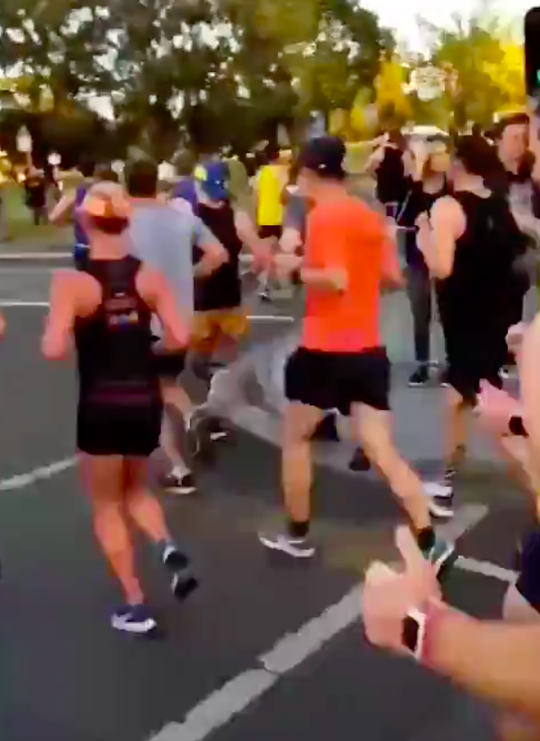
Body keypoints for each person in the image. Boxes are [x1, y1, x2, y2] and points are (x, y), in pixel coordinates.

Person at [257, 136, 454, 572]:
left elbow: (336, 279)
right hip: (368, 349)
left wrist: (295, 267)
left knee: (295, 438)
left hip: (324, 348)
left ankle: (297, 535)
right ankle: (429, 540)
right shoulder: (367, 217)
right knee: (381, 448)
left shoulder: (325, 217)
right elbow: (391, 276)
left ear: (309, 173)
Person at [42, 182, 196, 635]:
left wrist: (66, 326)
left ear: (85, 222)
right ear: (127, 222)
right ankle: (166, 545)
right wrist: (145, 346)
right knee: (138, 489)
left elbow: (52, 348)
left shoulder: (71, 282)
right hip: (143, 399)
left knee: (106, 502)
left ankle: (136, 603)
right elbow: (179, 338)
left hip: (100, 404)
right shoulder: (149, 277)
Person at [418, 136, 529, 519]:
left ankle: (448, 483)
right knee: (470, 398)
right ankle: (445, 480)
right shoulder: (498, 204)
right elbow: (517, 248)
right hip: (495, 314)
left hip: (464, 314)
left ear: (459, 164)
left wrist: (423, 237)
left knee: (468, 400)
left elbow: (442, 267)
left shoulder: (447, 207)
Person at [125, 159, 227, 494]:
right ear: (155, 181)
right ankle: (191, 421)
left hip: (141, 322)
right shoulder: (184, 216)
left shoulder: (122, 220)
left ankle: (179, 466)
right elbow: (218, 254)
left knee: (149, 395)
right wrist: (188, 274)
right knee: (165, 382)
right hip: (181, 319)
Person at [400, 138, 450, 386]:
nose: (443, 158)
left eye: (445, 153)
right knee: (421, 312)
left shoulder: (451, 188)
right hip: (418, 259)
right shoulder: (414, 188)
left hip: (445, 258)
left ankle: (451, 364)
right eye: (438, 154)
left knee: (448, 312)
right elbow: (403, 219)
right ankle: (422, 365)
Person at [49, 159, 119, 269]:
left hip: (84, 248)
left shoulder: (76, 193)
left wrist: (73, 219)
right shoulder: (119, 195)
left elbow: (54, 218)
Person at [254, 144, 289, 300]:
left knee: (268, 253)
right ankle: (282, 282)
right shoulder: (283, 172)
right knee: (283, 251)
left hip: (264, 217)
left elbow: (256, 197)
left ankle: (266, 285)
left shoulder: (260, 174)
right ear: (278, 155)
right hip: (281, 217)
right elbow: (285, 195)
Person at [365, 129, 408, 218]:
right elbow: (408, 173)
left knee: (383, 219)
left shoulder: (382, 151)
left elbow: (368, 167)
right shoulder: (405, 153)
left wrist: (377, 176)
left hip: (384, 193)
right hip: (400, 194)